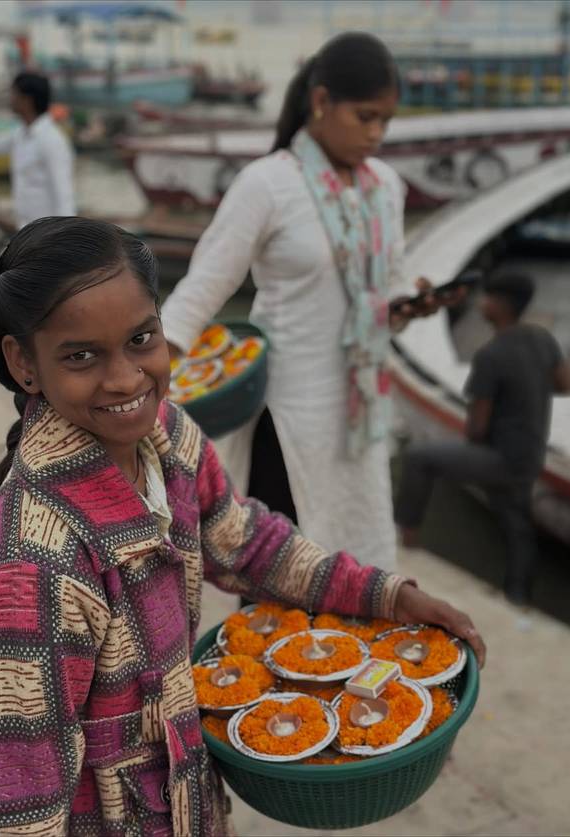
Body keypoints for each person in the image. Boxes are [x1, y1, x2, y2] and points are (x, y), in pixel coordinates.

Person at [0, 216, 486, 835]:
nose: (127, 379)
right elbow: (22, 802)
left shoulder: (172, 440)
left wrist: (390, 595)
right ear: (24, 362)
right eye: (81, 356)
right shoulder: (34, 569)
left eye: (141, 338)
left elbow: (252, 547)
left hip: (189, 804)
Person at [160, 33, 459, 573]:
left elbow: (385, 285)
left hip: (359, 408)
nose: (376, 134)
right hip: (289, 411)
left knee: (357, 555)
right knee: (280, 569)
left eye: (385, 121)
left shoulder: (385, 187)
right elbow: (203, 287)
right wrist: (145, 372)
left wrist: (408, 302)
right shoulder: (269, 184)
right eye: (365, 117)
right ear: (321, 102)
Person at [394, 272, 570, 605]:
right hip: (531, 456)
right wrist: (528, 389)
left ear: (498, 304)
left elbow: (476, 430)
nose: (480, 303)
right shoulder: (541, 338)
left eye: (485, 298)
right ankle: (518, 594)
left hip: (500, 458)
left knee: (419, 457)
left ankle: (406, 541)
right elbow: (567, 385)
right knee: (515, 520)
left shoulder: (491, 355)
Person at [0, 72, 75, 231]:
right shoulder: (21, 134)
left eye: (14, 94)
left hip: (46, 234)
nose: (10, 99)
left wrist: (65, 240)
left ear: (27, 100)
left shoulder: (52, 140)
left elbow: (63, 194)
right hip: (26, 230)